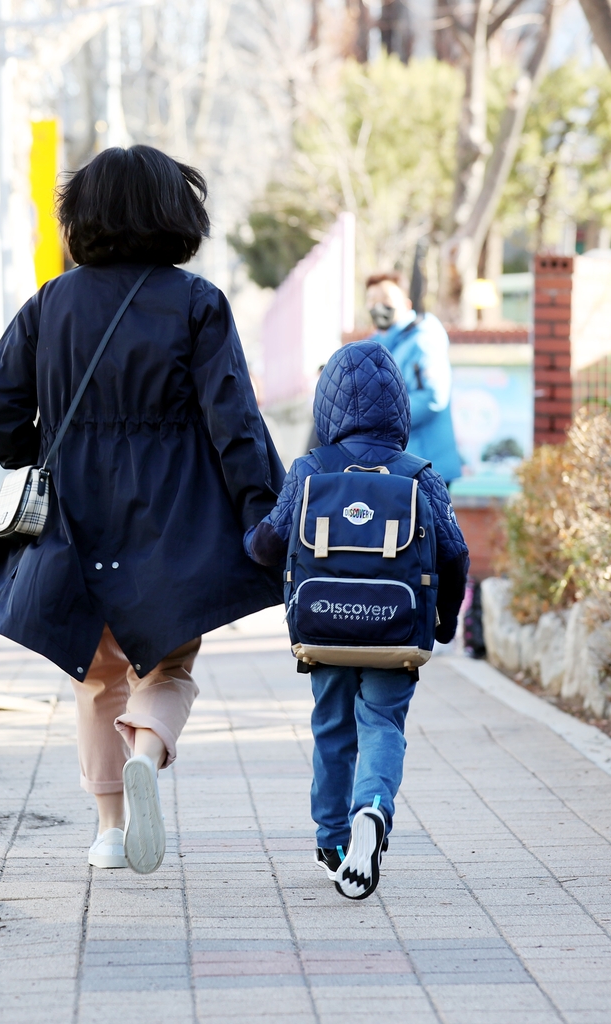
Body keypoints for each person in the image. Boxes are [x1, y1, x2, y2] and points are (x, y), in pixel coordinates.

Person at [0, 145, 285, 876]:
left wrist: (27, 451)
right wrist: (261, 514)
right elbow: (236, 421)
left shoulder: (50, 302)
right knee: (169, 662)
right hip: (175, 511)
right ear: (174, 214)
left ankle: (108, 831)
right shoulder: (197, 304)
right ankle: (148, 753)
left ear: (82, 218)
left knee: (97, 676)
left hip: (74, 511)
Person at [244, 340, 468, 899]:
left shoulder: (308, 469)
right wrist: (444, 621)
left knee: (332, 728)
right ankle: (373, 809)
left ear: (328, 407)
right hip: (396, 630)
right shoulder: (421, 475)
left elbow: (267, 545)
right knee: (382, 725)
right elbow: (455, 553)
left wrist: (248, 537)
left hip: (326, 628)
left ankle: (333, 840)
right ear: (399, 408)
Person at [365, 271, 462, 486]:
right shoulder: (380, 344)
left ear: (407, 304)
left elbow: (431, 397)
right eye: (371, 300)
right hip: (400, 466)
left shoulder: (422, 340)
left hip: (425, 466)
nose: (378, 306)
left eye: (386, 299)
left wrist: (378, 418)